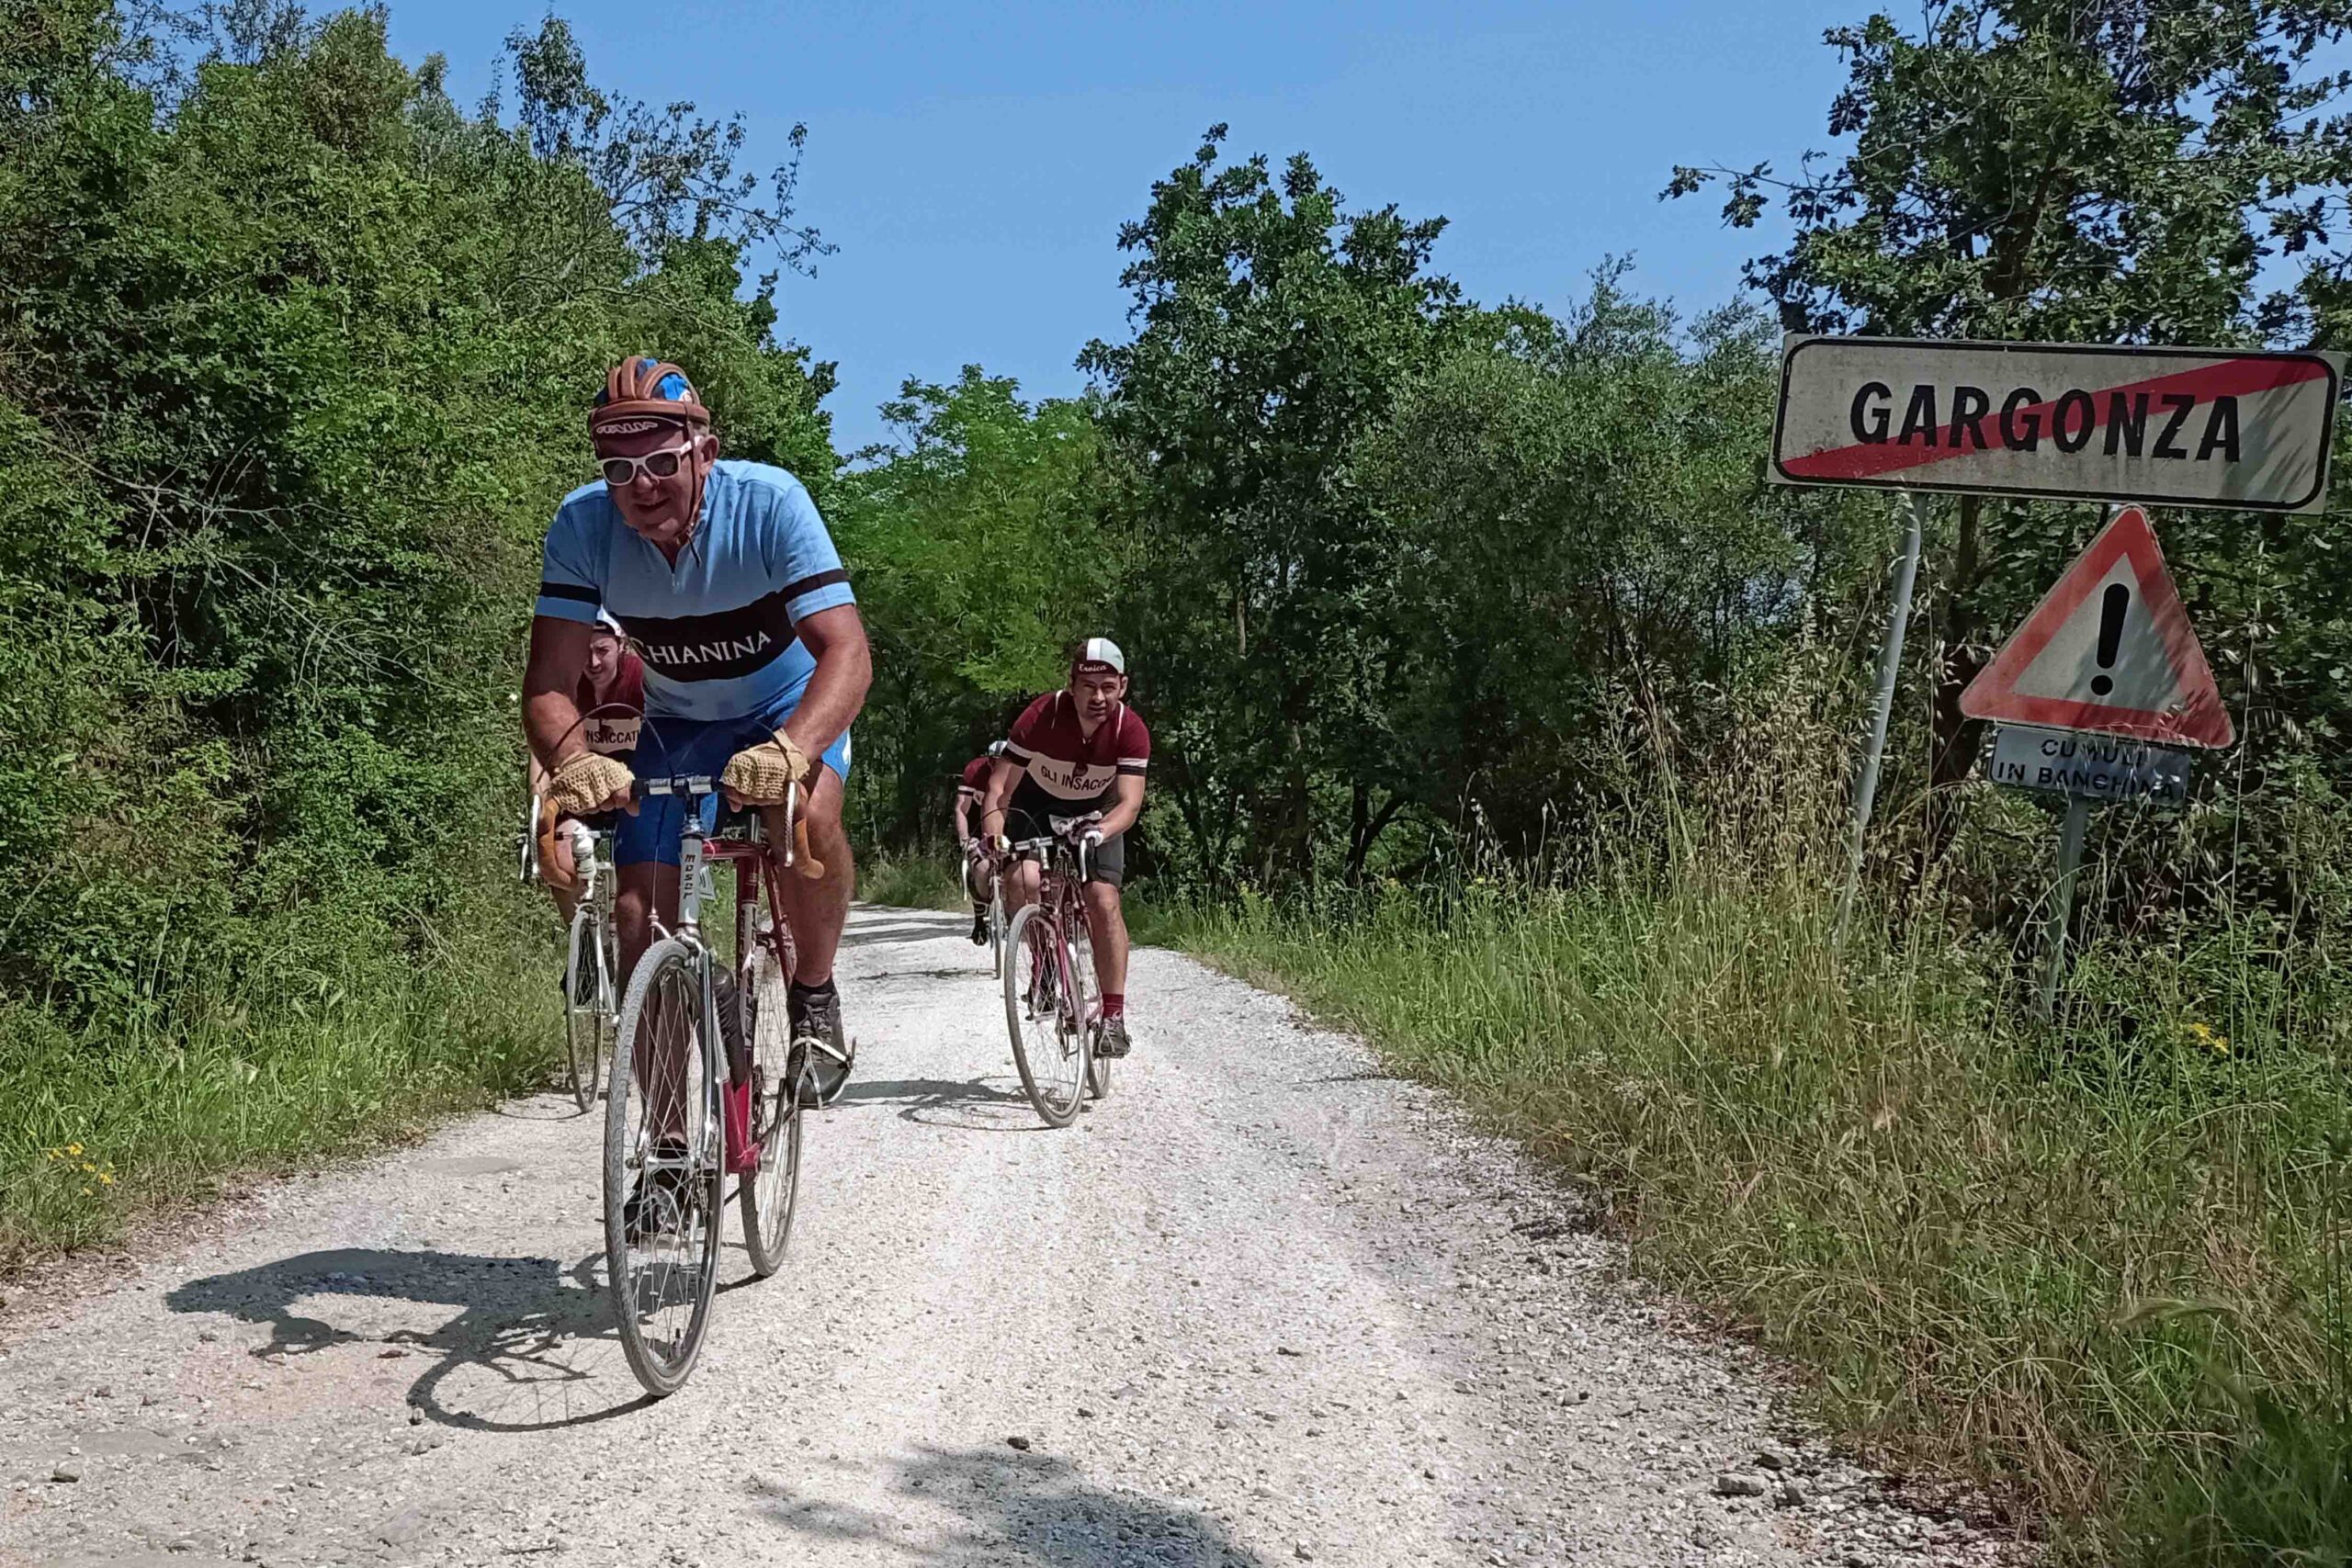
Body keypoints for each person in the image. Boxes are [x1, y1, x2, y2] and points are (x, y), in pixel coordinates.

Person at [521, 358, 871, 1227]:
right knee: (638, 921)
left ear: (703, 450)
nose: (640, 487)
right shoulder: (583, 525)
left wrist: (795, 749)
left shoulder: (770, 503)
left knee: (808, 817)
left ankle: (815, 989)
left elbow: (847, 652)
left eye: (660, 462)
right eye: (618, 467)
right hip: (677, 719)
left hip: (786, 706)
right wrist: (572, 758)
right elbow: (549, 682)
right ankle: (674, 1155)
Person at [980, 638, 1148, 1057]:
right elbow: (1000, 787)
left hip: (1099, 812)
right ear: (1071, 684)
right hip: (1037, 804)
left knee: (1103, 899)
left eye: (1108, 687)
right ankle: (1046, 963)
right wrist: (993, 833)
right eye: (1088, 687)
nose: (1098, 697)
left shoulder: (1130, 729)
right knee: (1023, 878)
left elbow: (1129, 802)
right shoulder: (1041, 716)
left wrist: (1102, 830)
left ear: (1122, 686)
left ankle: (1112, 1018)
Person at [528, 612, 644, 935]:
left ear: (620, 645)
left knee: (647, 872)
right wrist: (538, 802)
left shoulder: (642, 680)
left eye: (602, 650)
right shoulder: (566, 689)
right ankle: (583, 944)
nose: (592, 662)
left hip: (634, 794)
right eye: (584, 652)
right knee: (556, 853)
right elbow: (541, 753)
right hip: (584, 794)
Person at [953, 740, 1008, 945]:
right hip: (977, 822)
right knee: (981, 866)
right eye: (996, 762)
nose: (1001, 766)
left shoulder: (1021, 771)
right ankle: (980, 917)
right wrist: (965, 838)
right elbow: (961, 809)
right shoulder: (975, 770)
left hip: (1008, 821)